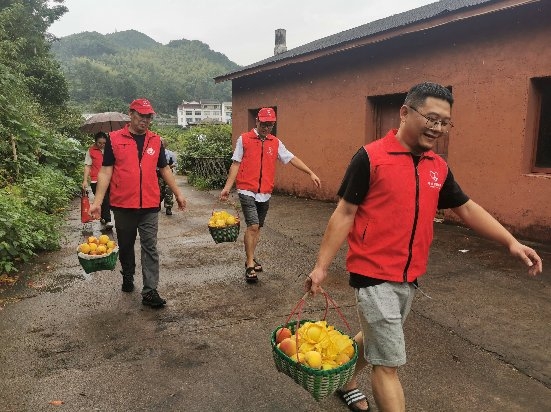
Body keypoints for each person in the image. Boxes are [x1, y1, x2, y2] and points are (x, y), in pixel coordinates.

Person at [304, 82, 543, 412]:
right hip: (372, 275)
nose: (438, 127)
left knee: (374, 336)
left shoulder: (438, 167)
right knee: (388, 365)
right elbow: (345, 212)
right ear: (405, 112)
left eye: (445, 122)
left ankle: (344, 378)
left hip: (409, 277)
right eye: (431, 118)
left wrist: (511, 242)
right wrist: (321, 267)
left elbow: (466, 207)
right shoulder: (371, 158)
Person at [89, 98, 187, 308]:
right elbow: (106, 171)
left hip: (150, 205)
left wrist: (178, 193)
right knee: (125, 246)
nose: (145, 120)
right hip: (123, 205)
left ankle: (150, 290)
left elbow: (164, 169)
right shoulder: (114, 139)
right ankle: (128, 274)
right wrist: (97, 202)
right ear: (131, 114)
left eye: (148, 116)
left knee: (150, 247)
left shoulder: (155, 141)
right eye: (141, 115)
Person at [220, 107, 321, 283]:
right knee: (252, 226)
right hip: (246, 189)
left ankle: (249, 258)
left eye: (270, 125)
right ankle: (250, 265)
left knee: (257, 228)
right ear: (257, 121)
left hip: (265, 192)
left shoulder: (275, 142)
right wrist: (228, 187)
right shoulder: (243, 139)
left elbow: (291, 158)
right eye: (264, 124)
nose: (267, 128)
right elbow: (235, 164)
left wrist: (310, 172)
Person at [82, 132, 112, 230]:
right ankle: (107, 220)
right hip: (96, 180)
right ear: (95, 142)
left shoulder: (110, 149)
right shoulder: (91, 151)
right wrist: (85, 180)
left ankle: (103, 218)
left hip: (109, 179)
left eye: (104, 143)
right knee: (104, 200)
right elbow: (87, 165)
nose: (102, 145)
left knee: (108, 200)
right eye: (99, 143)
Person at [158, 140, 177, 216]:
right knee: (159, 191)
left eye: (163, 144)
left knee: (169, 191)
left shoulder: (170, 154)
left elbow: (175, 163)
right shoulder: (155, 153)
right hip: (158, 175)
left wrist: (167, 167)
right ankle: (157, 204)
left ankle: (168, 208)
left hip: (169, 175)